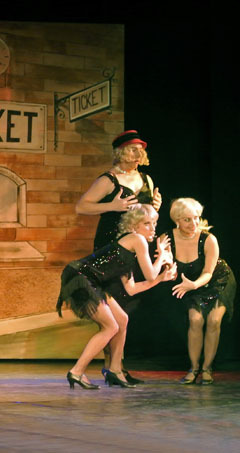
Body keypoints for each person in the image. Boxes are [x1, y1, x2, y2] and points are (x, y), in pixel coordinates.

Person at [75, 130, 162, 384]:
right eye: (133, 149)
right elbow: (82, 206)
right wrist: (112, 206)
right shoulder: (109, 179)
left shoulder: (145, 179)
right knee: (112, 309)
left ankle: (115, 367)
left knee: (124, 307)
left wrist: (154, 208)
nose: (138, 154)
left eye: (140, 150)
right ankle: (112, 367)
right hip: (110, 247)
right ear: (121, 152)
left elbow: (143, 214)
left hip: (134, 247)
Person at [57, 205, 176, 389]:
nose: (153, 228)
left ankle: (115, 370)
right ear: (134, 226)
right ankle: (77, 372)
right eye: (147, 223)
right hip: (80, 277)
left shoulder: (127, 249)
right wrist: (161, 256)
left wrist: (161, 278)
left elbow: (131, 289)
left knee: (122, 319)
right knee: (110, 327)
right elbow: (150, 275)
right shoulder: (137, 239)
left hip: (92, 281)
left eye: (154, 223)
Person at [166, 198, 235, 385]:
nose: (193, 223)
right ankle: (194, 367)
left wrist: (194, 285)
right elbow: (167, 270)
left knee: (213, 321)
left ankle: (207, 368)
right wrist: (167, 267)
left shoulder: (208, 239)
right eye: (187, 219)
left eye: (196, 218)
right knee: (195, 320)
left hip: (217, 281)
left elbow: (208, 273)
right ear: (177, 220)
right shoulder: (167, 239)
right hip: (191, 284)